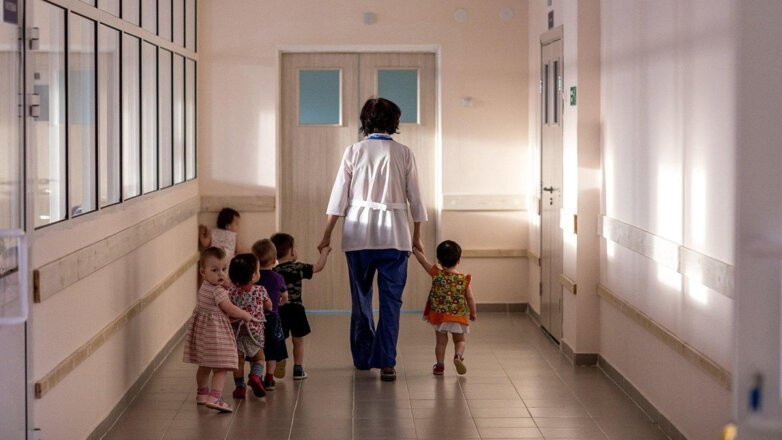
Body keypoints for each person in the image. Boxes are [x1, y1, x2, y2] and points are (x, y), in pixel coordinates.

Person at [319, 97, 428, 382]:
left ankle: (363, 359)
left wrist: (326, 235)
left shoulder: (354, 151)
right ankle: (387, 363)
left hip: (358, 237)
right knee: (391, 303)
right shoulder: (404, 153)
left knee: (361, 300)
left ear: (365, 122)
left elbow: (338, 198)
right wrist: (417, 236)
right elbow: (416, 199)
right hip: (395, 237)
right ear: (394, 122)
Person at [183, 247, 253, 413]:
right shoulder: (218, 291)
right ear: (203, 272)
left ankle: (202, 394)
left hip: (203, 336)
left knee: (204, 365)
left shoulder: (205, 287)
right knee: (221, 366)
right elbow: (230, 309)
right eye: (215, 270)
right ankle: (215, 397)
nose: (221, 274)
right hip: (216, 336)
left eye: (224, 269)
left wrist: (224, 285)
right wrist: (245, 315)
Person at [271, 233, 331, 380]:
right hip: (296, 309)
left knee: (280, 338)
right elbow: (318, 267)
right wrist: (324, 252)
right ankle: (298, 369)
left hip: (280, 310)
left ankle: (279, 359)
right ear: (292, 251)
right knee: (298, 340)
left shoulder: (274, 271)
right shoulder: (298, 267)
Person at [412, 240, 477, 375]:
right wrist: (473, 312)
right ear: (459, 261)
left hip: (440, 317)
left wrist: (415, 250)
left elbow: (423, 262)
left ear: (439, 260)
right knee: (460, 340)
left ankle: (440, 366)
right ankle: (458, 356)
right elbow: (470, 298)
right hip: (457, 317)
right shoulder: (464, 279)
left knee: (441, 343)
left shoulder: (436, 273)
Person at [228, 253, 272, 399]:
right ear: (253, 276)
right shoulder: (260, 291)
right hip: (254, 331)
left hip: (236, 332)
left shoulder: (230, 292)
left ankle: (240, 387)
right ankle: (255, 376)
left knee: (238, 361)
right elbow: (269, 306)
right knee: (258, 358)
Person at [251, 238, 289, 389]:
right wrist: (281, 302)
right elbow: (285, 295)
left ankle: (256, 375)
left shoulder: (253, 278)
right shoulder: (277, 277)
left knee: (256, 349)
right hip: (272, 318)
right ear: (275, 260)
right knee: (272, 350)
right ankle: (269, 379)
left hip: (255, 319)